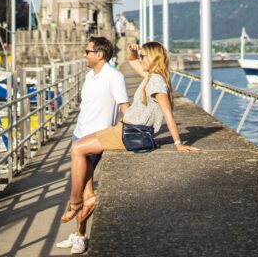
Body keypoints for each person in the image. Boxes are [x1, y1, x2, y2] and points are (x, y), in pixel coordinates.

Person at [60, 41, 199, 225]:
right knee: (81, 149)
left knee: (77, 149)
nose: (140, 60)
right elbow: (131, 61)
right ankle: (87, 198)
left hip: (130, 132)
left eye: (143, 57)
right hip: (124, 129)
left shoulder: (156, 81)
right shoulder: (151, 76)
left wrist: (178, 143)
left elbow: (167, 113)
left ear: (153, 58)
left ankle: (76, 202)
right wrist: (134, 51)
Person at [56, 36, 128, 255]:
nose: (84, 55)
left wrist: (130, 131)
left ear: (100, 54)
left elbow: (125, 106)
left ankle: (79, 230)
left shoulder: (114, 77)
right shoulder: (89, 76)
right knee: (84, 187)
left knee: (82, 188)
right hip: (78, 135)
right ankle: (79, 234)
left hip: (95, 139)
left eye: (87, 51)